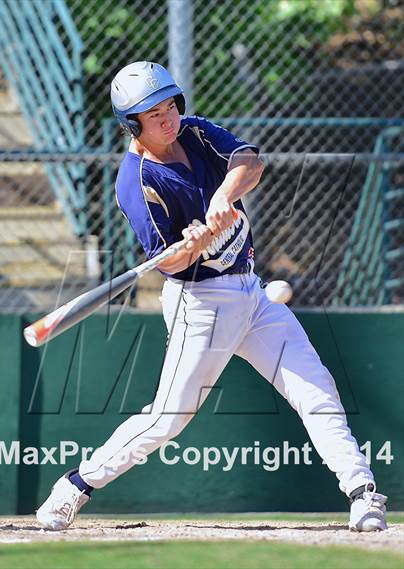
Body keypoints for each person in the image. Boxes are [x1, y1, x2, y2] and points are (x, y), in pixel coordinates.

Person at [36, 61, 387, 532]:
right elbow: (168, 263)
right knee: (168, 420)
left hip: (252, 292)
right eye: (152, 114)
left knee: (315, 388)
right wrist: (195, 243)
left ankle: (363, 494)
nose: (167, 119)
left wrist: (223, 195)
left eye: (169, 106)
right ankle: (76, 485)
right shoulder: (136, 182)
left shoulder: (195, 133)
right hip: (198, 304)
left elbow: (251, 162)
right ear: (132, 124)